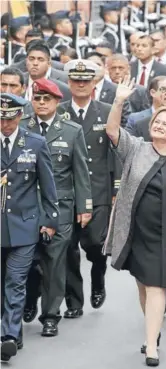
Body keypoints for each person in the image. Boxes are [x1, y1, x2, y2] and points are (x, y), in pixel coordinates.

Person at [103, 76, 166, 367]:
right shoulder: (136, 148)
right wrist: (119, 99)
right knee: (143, 284)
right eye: (156, 122)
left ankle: (151, 345)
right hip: (135, 232)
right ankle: (154, 329)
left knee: (156, 286)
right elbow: (112, 131)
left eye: (165, 124)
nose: (159, 125)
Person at [20, 79, 92, 337]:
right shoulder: (20, 127)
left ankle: (50, 315)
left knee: (54, 261)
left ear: (57, 102)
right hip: (25, 206)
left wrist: (84, 206)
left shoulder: (71, 131)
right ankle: (28, 299)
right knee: (26, 261)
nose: (40, 103)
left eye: (46, 99)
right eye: (37, 98)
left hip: (59, 207)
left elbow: (81, 171)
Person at [0, 93, 59, 362]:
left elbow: (48, 186)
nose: (5, 124)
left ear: (19, 116)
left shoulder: (34, 143)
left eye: (10, 119)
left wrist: (50, 220)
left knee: (16, 282)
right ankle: (13, 330)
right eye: (1, 119)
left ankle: (8, 336)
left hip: (24, 228)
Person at [60, 59, 114, 318]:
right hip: (66, 191)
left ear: (94, 83)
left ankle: (99, 274)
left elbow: (116, 151)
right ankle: (74, 301)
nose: (81, 84)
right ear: (69, 83)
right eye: (76, 80)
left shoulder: (106, 110)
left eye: (86, 80)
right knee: (69, 249)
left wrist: (116, 188)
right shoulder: (58, 112)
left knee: (94, 244)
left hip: (98, 190)